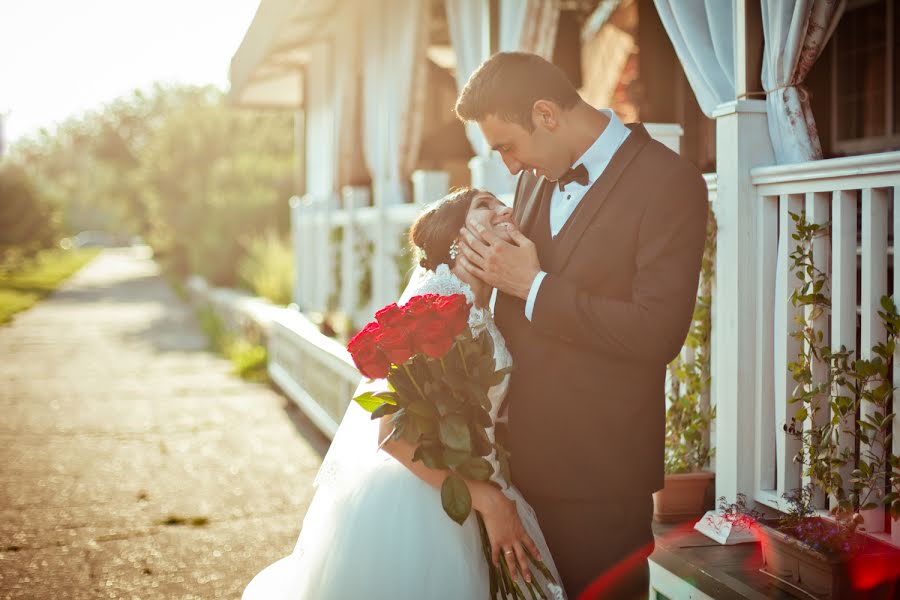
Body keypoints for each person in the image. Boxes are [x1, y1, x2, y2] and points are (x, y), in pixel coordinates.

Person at [454, 52, 708, 599]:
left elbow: (657, 331)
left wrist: (536, 287)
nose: (510, 167)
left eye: (506, 146)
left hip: (600, 478)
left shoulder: (670, 183)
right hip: (516, 469)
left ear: (545, 114)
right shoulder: (533, 180)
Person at [242, 188, 565, 600]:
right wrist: (485, 500)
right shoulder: (434, 311)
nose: (505, 208)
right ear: (457, 239)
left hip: (485, 481)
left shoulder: (487, 310)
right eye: (484, 205)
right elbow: (392, 436)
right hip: (422, 505)